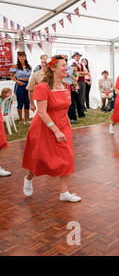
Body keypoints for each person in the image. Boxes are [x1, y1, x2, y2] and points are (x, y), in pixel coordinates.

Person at [22, 55, 81, 202]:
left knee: (67, 158)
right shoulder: (42, 87)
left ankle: (64, 193)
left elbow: (64, 109)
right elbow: (41, 112)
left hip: (63, 125)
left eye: (66, 65)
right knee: (39, 159)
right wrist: (55, 130)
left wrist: (65, 126)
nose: (66, 68)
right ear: (53, 68)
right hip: (44, 126)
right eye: (63, 65)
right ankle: (28, 178)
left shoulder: (66, 86)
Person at [9, 51, 32, 124]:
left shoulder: (29, 66)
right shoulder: (15, 66)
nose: (21, 58)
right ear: (18, 58)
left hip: (27, 84)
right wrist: (18, 81)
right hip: (19, 85)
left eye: (23, 56)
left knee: (27, 102)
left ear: (25, 57)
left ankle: (26, 120)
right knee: (20, 102)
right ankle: (21, 119)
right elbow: (11, 76)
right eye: (20, 56)